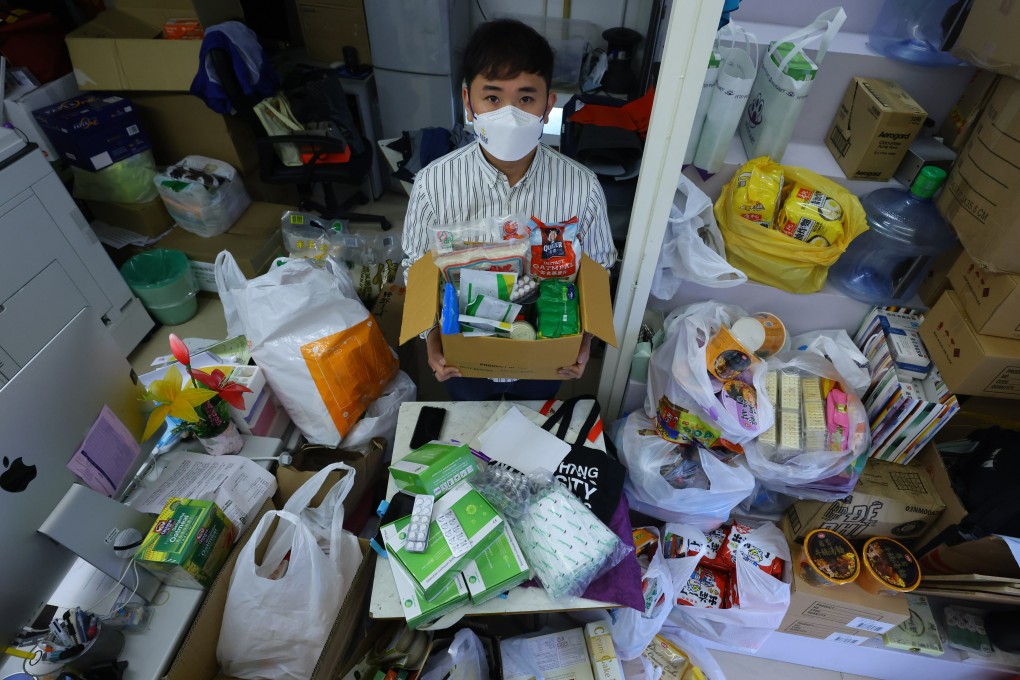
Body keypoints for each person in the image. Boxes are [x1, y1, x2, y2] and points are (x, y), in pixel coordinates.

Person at [401, 18, 617, 401]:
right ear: (469, 102)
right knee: (472, 432)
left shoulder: (581, 188)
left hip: (546, 354)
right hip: (465, 358)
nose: (510, 113)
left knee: (535, 438)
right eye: (494, 97)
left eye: (526, 98)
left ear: (548, 106)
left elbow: (598, 271)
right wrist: (431, 336)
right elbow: (415, 267)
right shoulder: (433, 185)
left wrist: (583, 341)